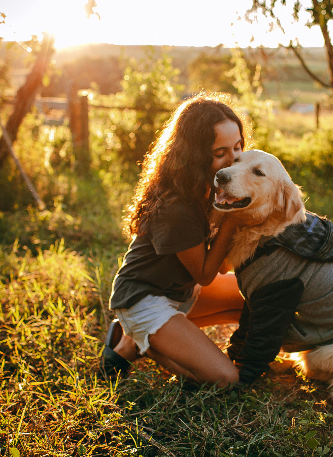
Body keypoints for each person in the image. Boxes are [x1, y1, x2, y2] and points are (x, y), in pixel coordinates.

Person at [101, 93, 259, 388]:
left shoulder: (213, 188)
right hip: (143, 299)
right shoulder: (176, 206)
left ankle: (133, 342)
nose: (234, 158)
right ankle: (139, 341)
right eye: (220, 152)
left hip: (181, 294)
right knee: (224, 379)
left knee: (255, 299)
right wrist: (232, 219)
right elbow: (205, 274)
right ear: (196, 154)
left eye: (238, 147)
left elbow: (223, 267)